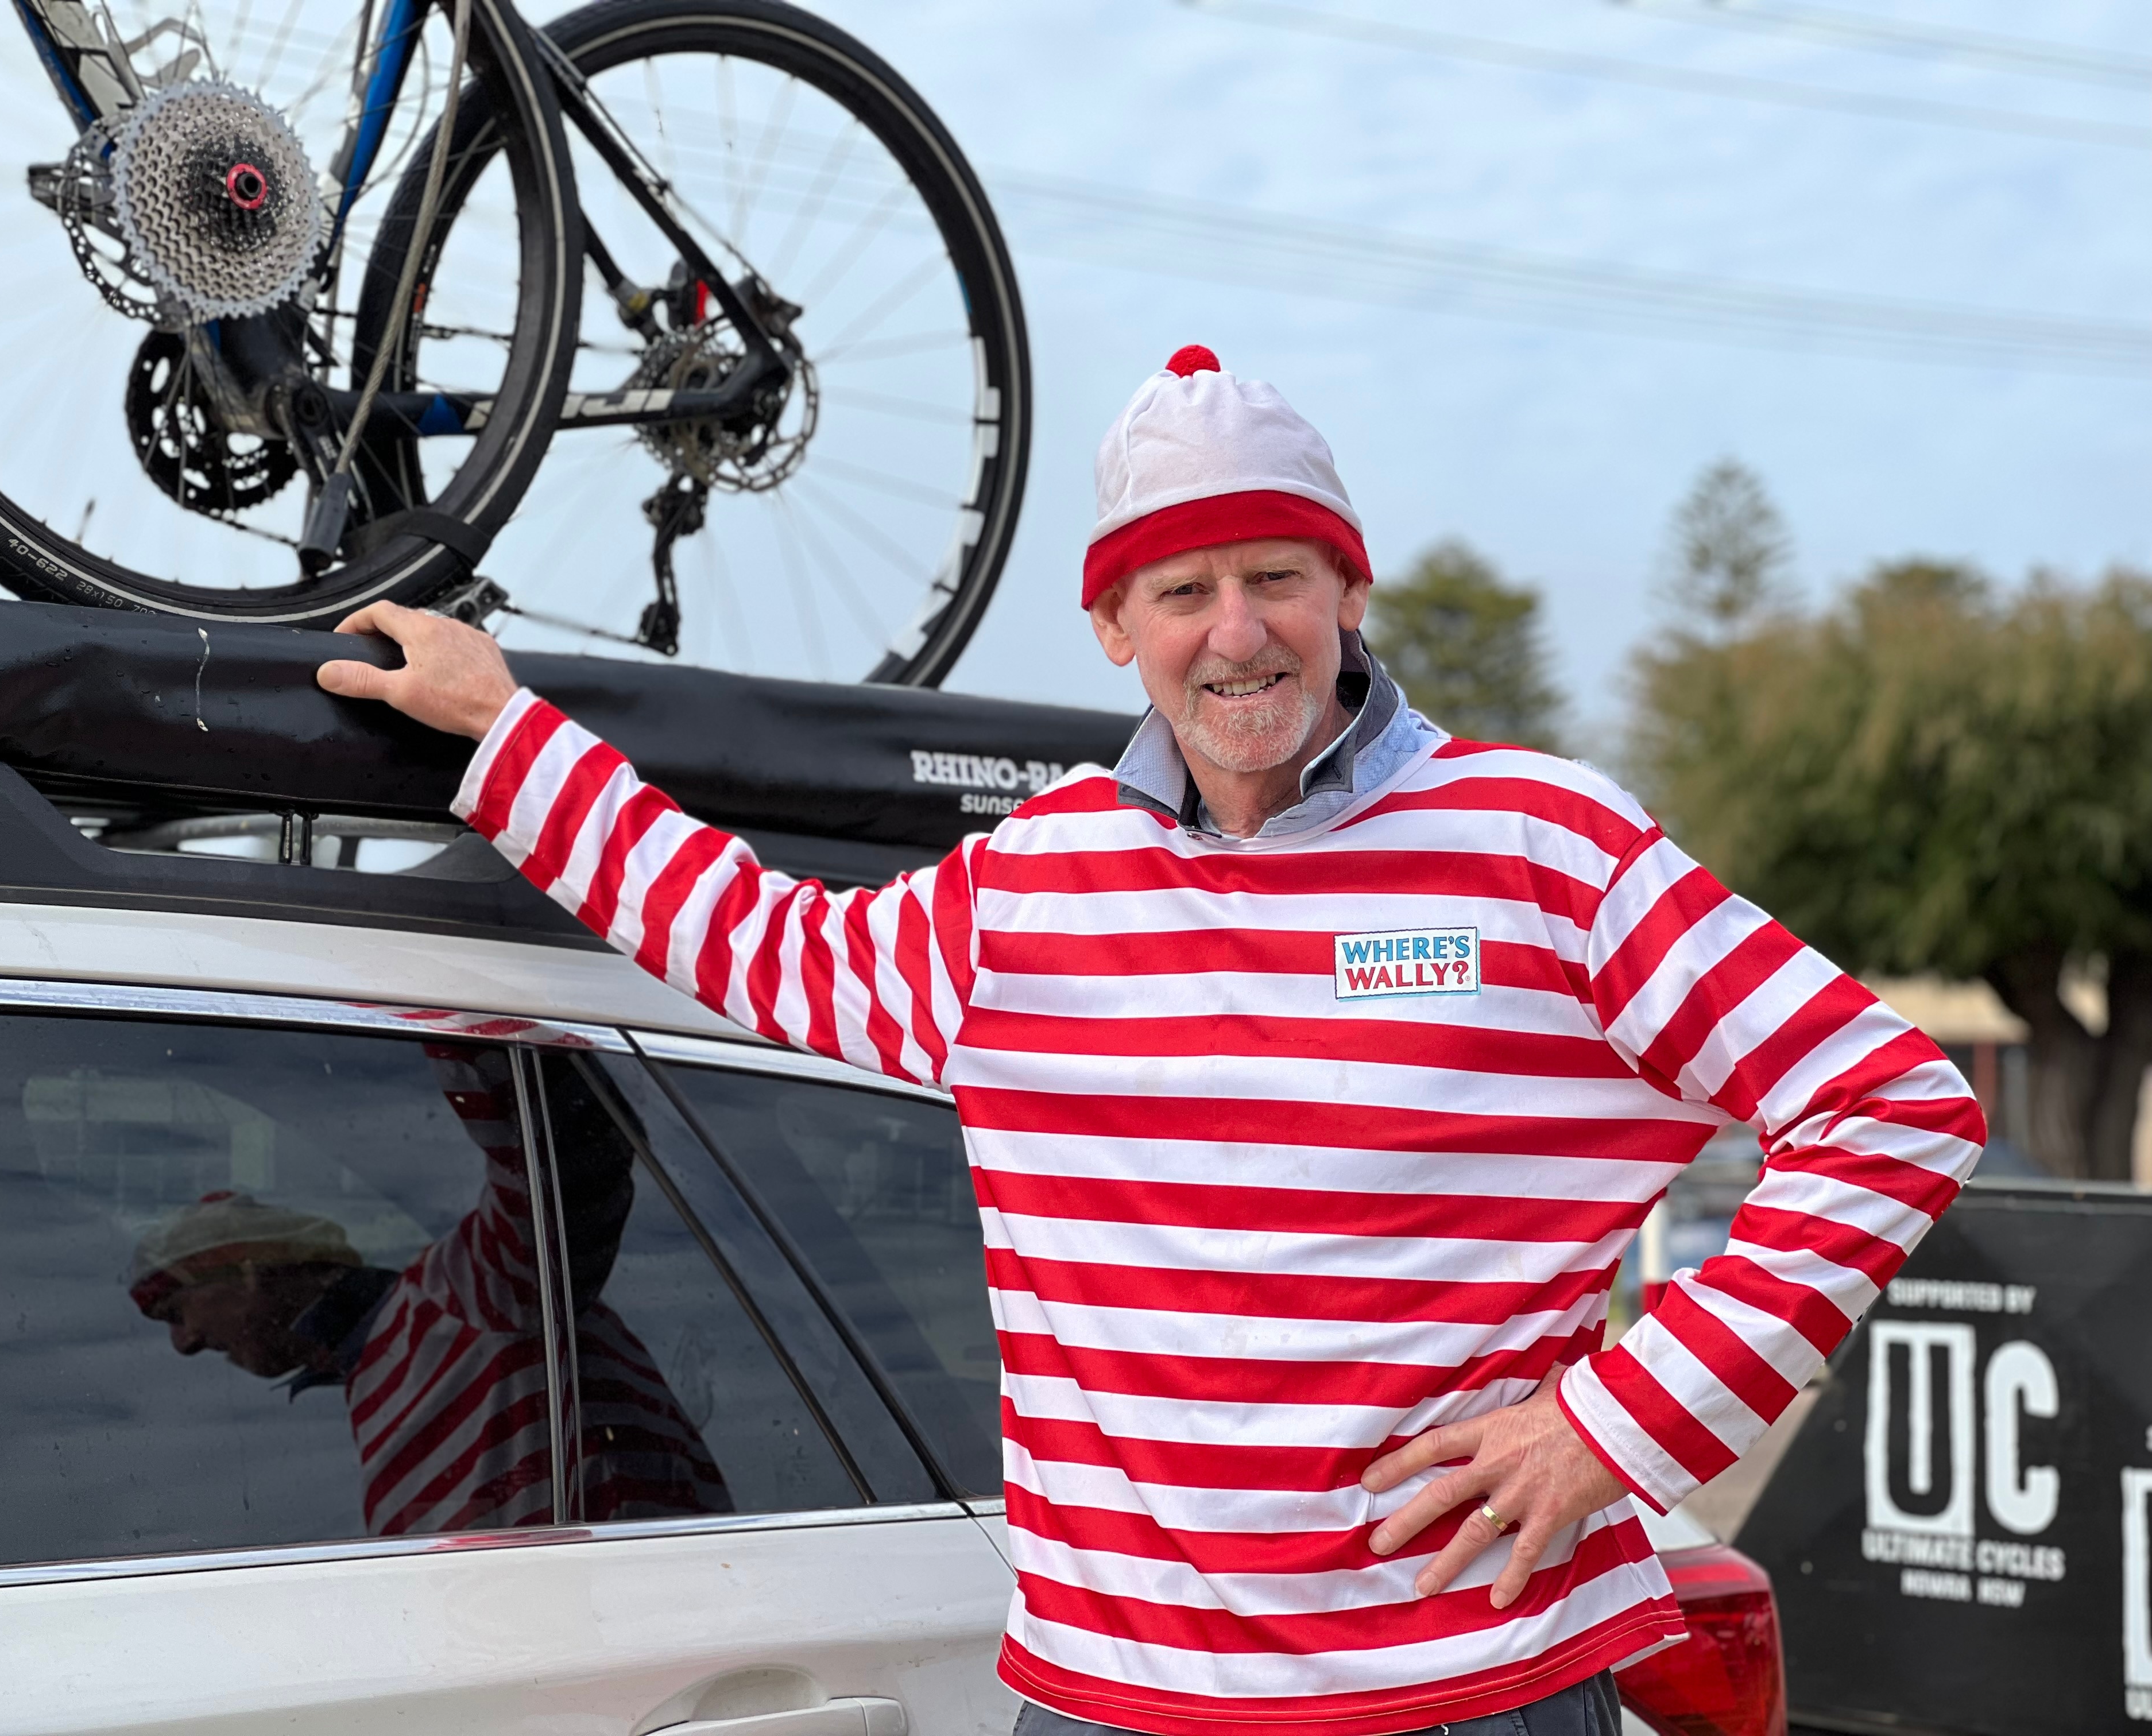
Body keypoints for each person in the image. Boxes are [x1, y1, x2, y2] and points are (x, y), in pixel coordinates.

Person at [316, 346, 1984, 1736]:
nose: (1237, 631)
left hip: (1473, 1694)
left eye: (1276, 577)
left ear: (1348, 585)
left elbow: (1891, 1105)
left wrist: (1608, 1431)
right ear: (1114, 629)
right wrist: (505, 734)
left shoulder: (1541, 846)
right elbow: (757, 945)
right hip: (1112, 1706)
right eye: (1182, 590)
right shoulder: (1031, 890)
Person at [131, 1043, 729, 1535]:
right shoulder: (376, 1374)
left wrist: (455, 1009)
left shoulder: (460, 1297)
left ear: (247, 1271)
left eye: (176, 1310)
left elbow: (570, 1158)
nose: (182, 1343)